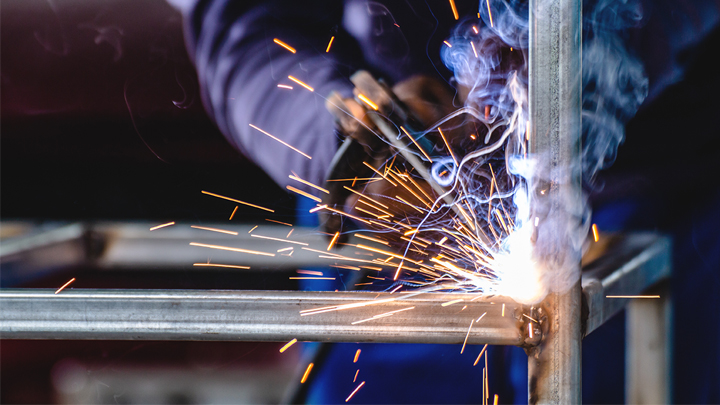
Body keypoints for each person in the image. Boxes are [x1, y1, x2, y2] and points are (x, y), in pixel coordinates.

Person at [169, 0, 720, 403]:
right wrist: (343, 136)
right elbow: (250, 25)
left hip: (664, 189)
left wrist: (578, 56)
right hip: (404, 214)